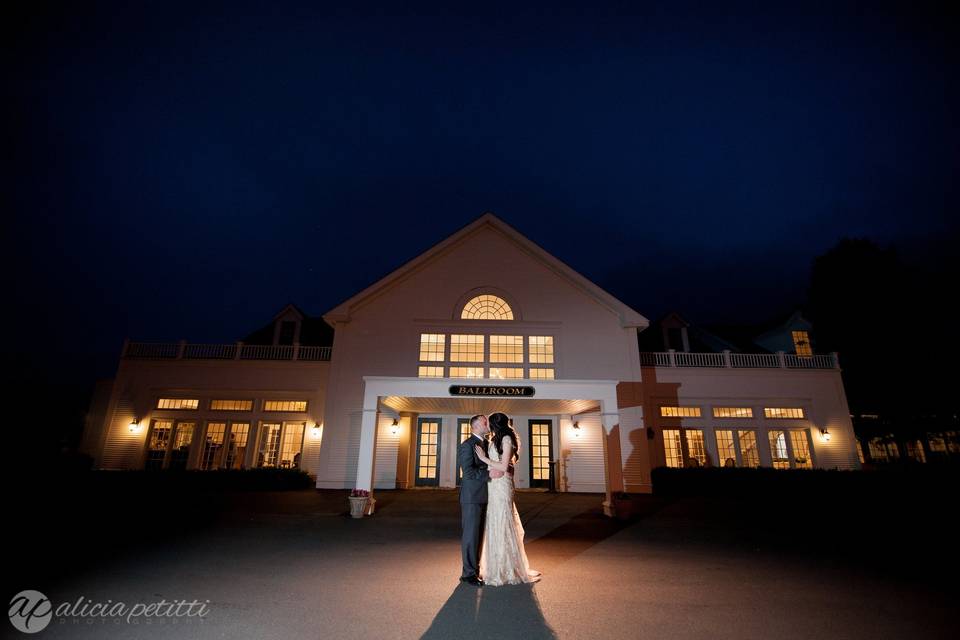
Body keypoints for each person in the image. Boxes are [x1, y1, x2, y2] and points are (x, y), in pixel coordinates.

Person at [473, 412, 542, 586]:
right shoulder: (496, 438)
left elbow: (504, 466)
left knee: (503, 521)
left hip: (502, 486)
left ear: (495, 424)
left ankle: (507, 568)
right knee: (494, 521)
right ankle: (494, 565)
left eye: (488, 422)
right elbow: (503, 464)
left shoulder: (506, 439)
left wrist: (484, 458)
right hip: (493, 485)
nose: (486, 425)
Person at [457, 414, 502, 587]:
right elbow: (468, 472)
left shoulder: (486, 444)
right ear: (475, 426)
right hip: (471, 497)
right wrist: (489, 473)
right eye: (485, 422)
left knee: (478, 535)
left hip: (484, 495)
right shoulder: (467, 445)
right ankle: (468, 575)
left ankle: (474, 570)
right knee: (470, 536)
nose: (488, 424)